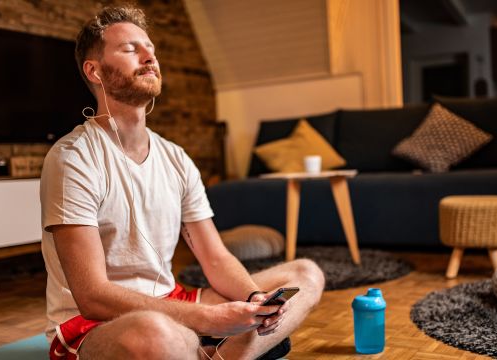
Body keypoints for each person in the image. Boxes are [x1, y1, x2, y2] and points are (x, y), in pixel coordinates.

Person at [40, 5, 325, 360]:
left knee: (306, 274)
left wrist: (255, 302)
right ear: (94, 71)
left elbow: (216, 258)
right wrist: (206, 319)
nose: (149, 56)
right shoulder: (72, 159)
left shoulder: (175, 157)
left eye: (150, 48)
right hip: (95, 325)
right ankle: (221, 348)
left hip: (173, 301)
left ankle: (213, 353)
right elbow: (92, 295)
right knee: (159, 336)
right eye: (130, 49)